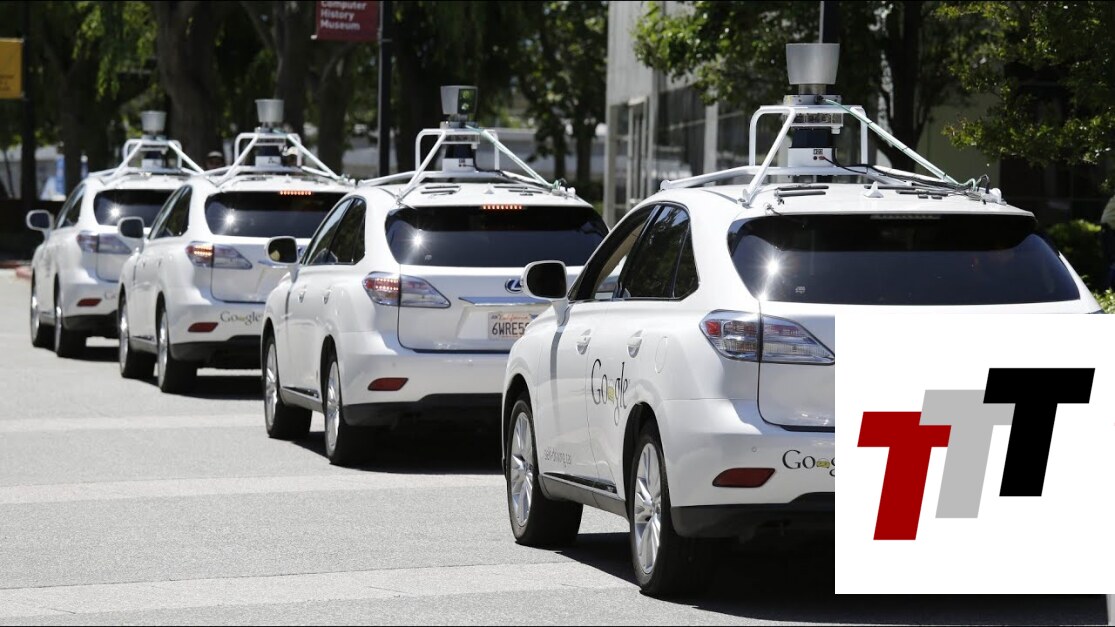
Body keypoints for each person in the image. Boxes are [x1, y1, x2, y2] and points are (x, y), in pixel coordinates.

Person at [1101, 194, 1115, 290]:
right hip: (1110, 231)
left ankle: (1108, 290)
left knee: (1111, 262)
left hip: (1108, 230)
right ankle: (1109, 289)